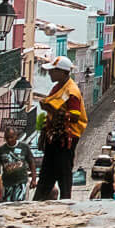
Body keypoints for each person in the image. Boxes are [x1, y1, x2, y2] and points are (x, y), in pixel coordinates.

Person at [32, 58, 86, 200]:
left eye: (52, 71)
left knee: (63, 171)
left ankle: (65, 200)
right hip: (54, 136)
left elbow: (74, 116)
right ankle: (39, 198)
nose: (49, 73)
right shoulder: (58, 87)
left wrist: (52, 109)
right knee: (47, 170)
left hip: (66, 138)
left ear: (62, 72)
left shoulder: (72, 91)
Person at [0, 122, 34, 202]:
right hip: (7, 183)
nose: (9, 140)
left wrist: (34, 179)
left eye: (11, 137)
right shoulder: (1, 150)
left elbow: (31, 162)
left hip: (21, 182)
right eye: (7, 137)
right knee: (7, 204)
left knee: (18, 203)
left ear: (16, 136)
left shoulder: (24, 147)